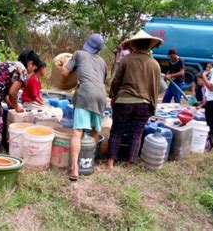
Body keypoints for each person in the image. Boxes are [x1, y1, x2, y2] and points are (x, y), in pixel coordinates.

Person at [107, 30, 163, 169]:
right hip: (144, 104)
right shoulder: (154, 64)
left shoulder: (127, 59)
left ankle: (110, 162)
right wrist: (153, 107)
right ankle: (129, 164)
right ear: (148, 46)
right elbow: (156, 88)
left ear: (135, 45)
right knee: (136, 134)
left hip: (124, 101)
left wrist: (113, 96)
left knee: (117, 131)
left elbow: (116, 81)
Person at [61, 33, 107, 181]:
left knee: (77, 132)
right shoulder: (103, 62)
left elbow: (64, 72)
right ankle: (88, 162)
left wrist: (65, 62)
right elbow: (100, 79)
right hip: (101, 96)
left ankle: (75, 169)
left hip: (85, 94)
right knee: (94, 130)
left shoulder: (78, 54)